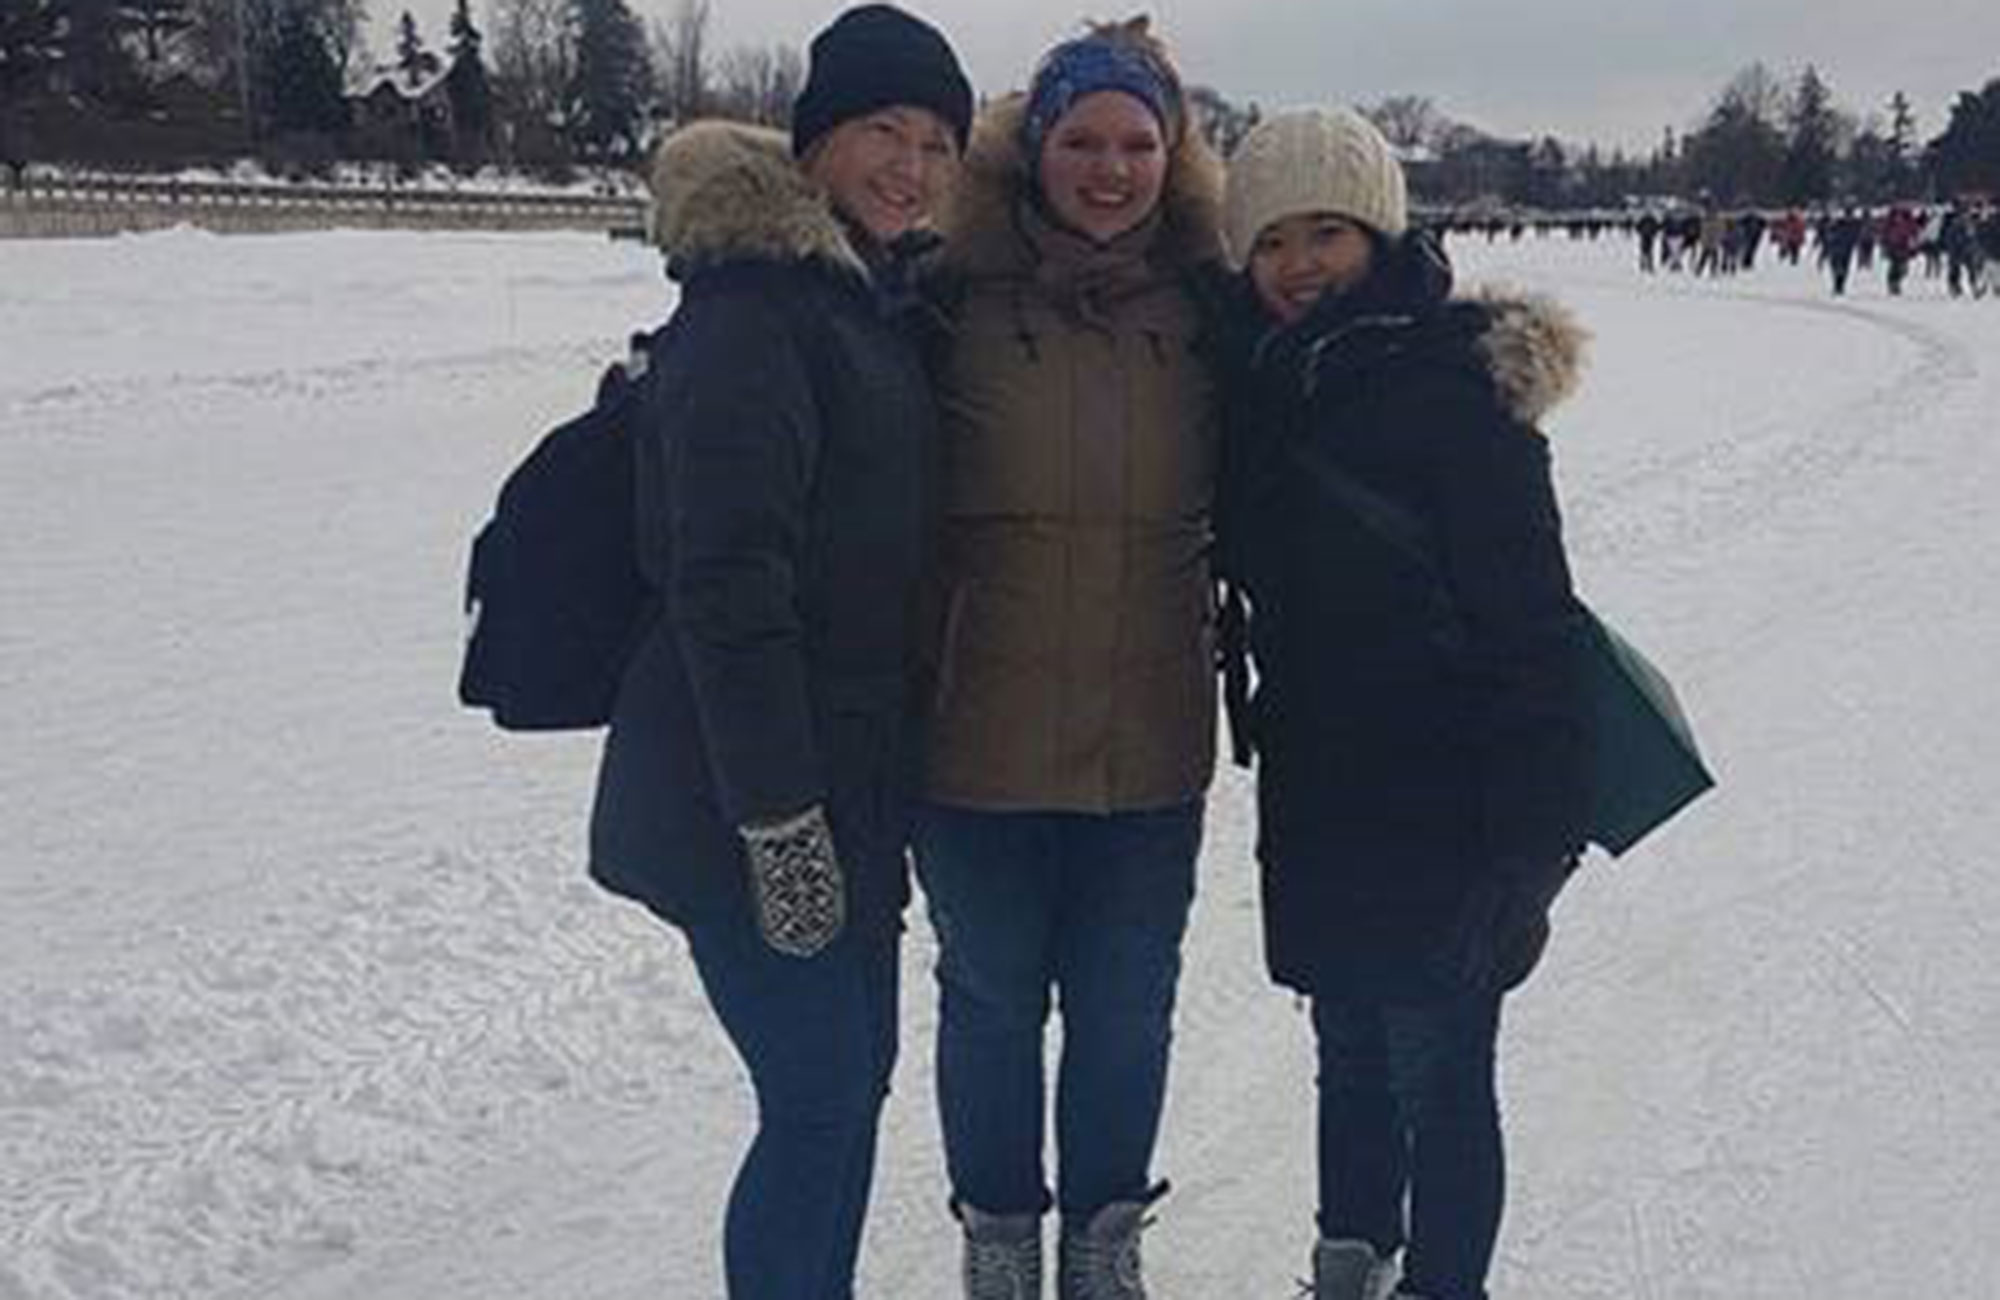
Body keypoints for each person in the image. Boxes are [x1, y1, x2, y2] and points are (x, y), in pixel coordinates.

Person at [584, 7, 972, 1297]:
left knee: (845, 1092)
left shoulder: (860, 299)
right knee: (816, 1102)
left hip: (844, 790)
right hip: (746, 797)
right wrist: (777, 822)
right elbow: (725, 589)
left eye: (934, 142)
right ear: (813, 143)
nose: (910, 165)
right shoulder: (758, 314)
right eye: (881, 131)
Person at [1216, 108, 1594, 1300]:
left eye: (1324, 231)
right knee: (1346, 1058)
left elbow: (1534, 633)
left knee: (1438, 1073)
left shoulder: (1454, 392)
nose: (1297, 265)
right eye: (1270, 240)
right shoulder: (1267, 386)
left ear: (1377, 232)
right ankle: (1349, 1260)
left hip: (1452, 807)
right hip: (1325, 796)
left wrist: (1529, 852)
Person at [910, 17, 1226, 1299]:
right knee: (988, 1002)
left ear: (1173, 156)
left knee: (1125, 1010)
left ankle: (1102, 1241)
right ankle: (998, 1235)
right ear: (1034, 148)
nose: (1109, 168)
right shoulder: (946, 293)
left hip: (1149, 738)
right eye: (1082, 140)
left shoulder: (1211, 305)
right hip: (973, 737)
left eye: (1136, 142)